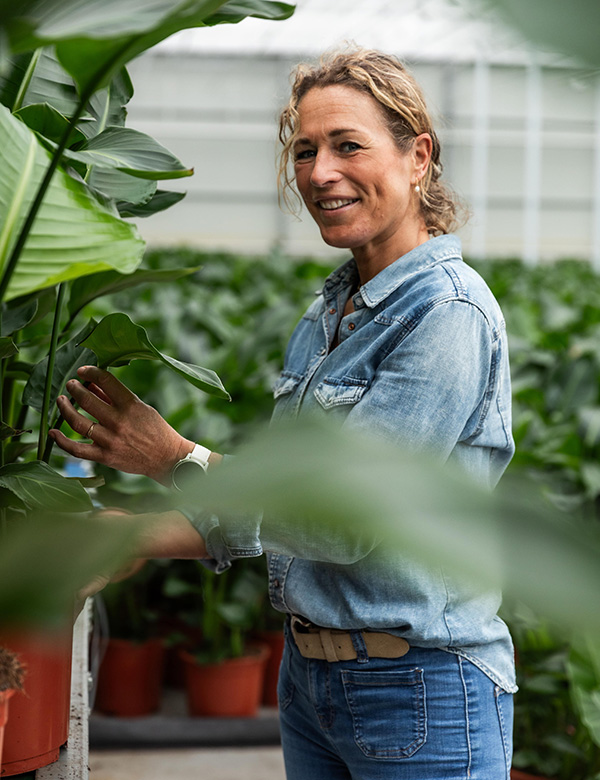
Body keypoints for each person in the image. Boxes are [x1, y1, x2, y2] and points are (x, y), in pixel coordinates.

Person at [51, 48, 515, 780]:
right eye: (304, 149)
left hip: (418, 689)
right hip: (311, 681)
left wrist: (172, 464)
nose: (319, 171)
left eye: (347, 145)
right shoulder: (330, 312)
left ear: (418, 155)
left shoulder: (444, 315)